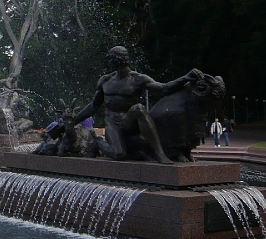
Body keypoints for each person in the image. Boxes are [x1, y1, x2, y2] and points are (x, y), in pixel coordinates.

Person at [70, 46, 202, 164]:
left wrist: (185, 78)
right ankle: (99, 142)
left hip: (129, 122)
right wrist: (73, 121)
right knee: (119, 154)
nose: (108, 63)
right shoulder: (105, 80)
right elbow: (94, 106)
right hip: (112, 122)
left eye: (110, 59)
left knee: (139, 108)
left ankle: (160, 153)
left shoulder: (138, 79)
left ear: (118, 60)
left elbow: (164, 88)